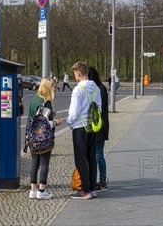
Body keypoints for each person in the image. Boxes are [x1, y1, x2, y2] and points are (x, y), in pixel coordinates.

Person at [67, 61, 101, 200]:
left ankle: (85, 190)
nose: (74, 76)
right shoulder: (96, 88)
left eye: (74, 73)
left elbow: (74, 112)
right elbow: (98, 108)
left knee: (81, 159)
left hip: (80, 127)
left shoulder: (78, 89)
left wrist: (69, 123)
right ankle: (92, 187)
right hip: (92, 127)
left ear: (78, 73)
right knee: (91, 158)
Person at [28, 77, 62, 200]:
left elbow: (36, 119)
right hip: (43, 139)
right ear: (48, 87)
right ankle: (42, 190)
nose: (55, 89)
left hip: (32, 137)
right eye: (53, 86)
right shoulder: (45, 102)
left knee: (34, 163)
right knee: (44, 164)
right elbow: (46, 124)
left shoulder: (35, 100)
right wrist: (56, 122)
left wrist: (50, 116)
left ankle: (33, 190)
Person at [88, 67, 109, 191]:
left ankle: (102, 180)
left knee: (98, 154)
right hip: (97, 125)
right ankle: (97, 180)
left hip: (100, 126)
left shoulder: (100, 90)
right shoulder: (98, 89)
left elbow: (97, 108)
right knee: (96, 154)